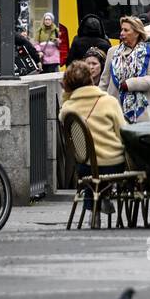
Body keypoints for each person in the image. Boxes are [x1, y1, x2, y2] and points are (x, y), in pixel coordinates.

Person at [58, 60, 127, 211]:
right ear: (90, 79)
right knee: (107, 166)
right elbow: (123, 133)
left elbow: (62, 114)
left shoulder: (68, 108)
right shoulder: (110, 102)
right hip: (113, 164)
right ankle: (105, 195)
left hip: (85, 166)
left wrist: (66, 95)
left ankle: (93, 210)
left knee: (91, 169)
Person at [101, 15, 150, 123]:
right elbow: (104, 82)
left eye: (126, 30)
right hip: (115, 110)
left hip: (142, 113)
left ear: (137, 33)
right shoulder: (112, 52)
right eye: (121, 29)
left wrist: (130, 84)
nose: (121, 33)